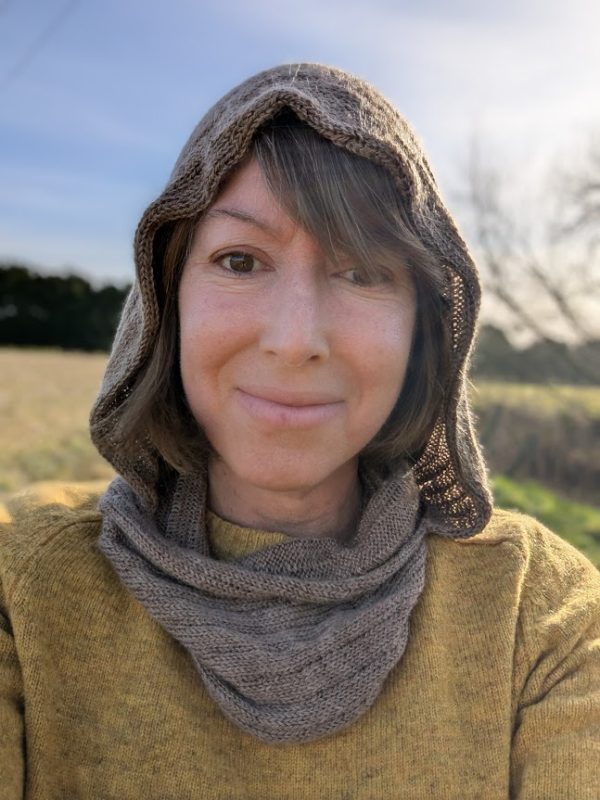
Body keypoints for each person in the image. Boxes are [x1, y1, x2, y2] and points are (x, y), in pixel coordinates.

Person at [0, 63, 598, 800]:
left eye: (362, 272)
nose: (295, 339)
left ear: (426, 332)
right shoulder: (21, 584)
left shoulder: (539, 613)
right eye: (240, 261)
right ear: (166, 301)